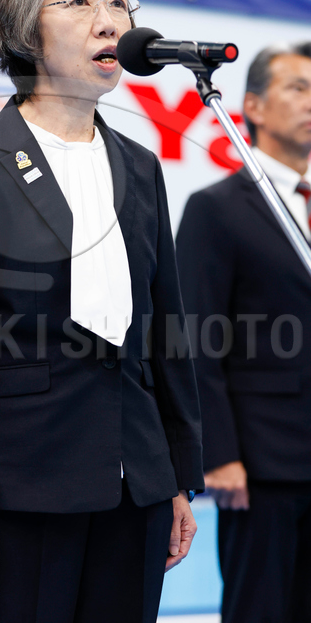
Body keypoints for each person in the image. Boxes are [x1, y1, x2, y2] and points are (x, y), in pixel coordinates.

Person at [0, 0, 204, 623]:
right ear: (25, 30)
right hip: (21, 488)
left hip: (136, 485)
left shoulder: (140, 166)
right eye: (79, 2)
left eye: (118, 1)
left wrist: (176, 475)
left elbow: (165, 329)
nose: (109, 20)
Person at [176, 43, 311, 623]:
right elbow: (194, 341)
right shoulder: (217, 209)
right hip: (263, 464)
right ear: (252, 106)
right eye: (298, 88)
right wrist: (219, 454)